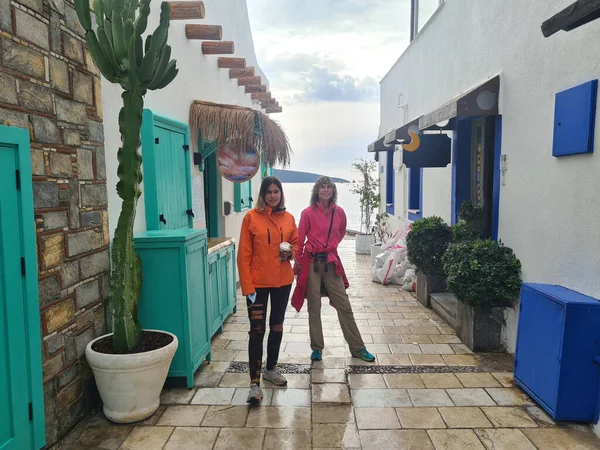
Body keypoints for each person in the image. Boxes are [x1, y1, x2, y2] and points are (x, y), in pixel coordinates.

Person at [291, 176, 375, 363]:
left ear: (333, 191)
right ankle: (317, 348)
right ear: (316, 190)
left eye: (329, 187)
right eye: (322, 187)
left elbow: (342, 231)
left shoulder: (340, 212)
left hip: (331, 261)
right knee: (314, 306)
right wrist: (297, 265)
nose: (326, 190)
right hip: (312, 263)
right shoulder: (307, 213)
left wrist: (332, 245)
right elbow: (299, 238)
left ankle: (358, 348)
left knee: (344, 305)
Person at [237, 176, 298, 404]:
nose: (273, 195)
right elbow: (243, 255)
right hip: (257, 285)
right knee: (257, 330)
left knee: (277, 325)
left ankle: (271, 369)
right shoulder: (251, 218)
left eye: (277, 191)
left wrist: (291, 252)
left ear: (281, 194)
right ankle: (254, 383)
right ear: (262, 194)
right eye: (269, 192)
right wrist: (247, 287)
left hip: (283, 281)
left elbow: (296, 243)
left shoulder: (289, 218)